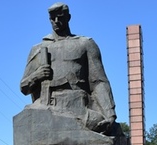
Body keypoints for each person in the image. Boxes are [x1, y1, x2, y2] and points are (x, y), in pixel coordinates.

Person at [19, 2, 117, 135]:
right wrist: (37, 75)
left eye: (60, 17)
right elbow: (24, 87)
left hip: (79, 108)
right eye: (52, 18)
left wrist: (109, 114)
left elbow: (98, 82)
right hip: (47, 107)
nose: (56, 21)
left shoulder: (85, 44)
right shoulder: (38, 49)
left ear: (68, 17)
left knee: (100, 124)